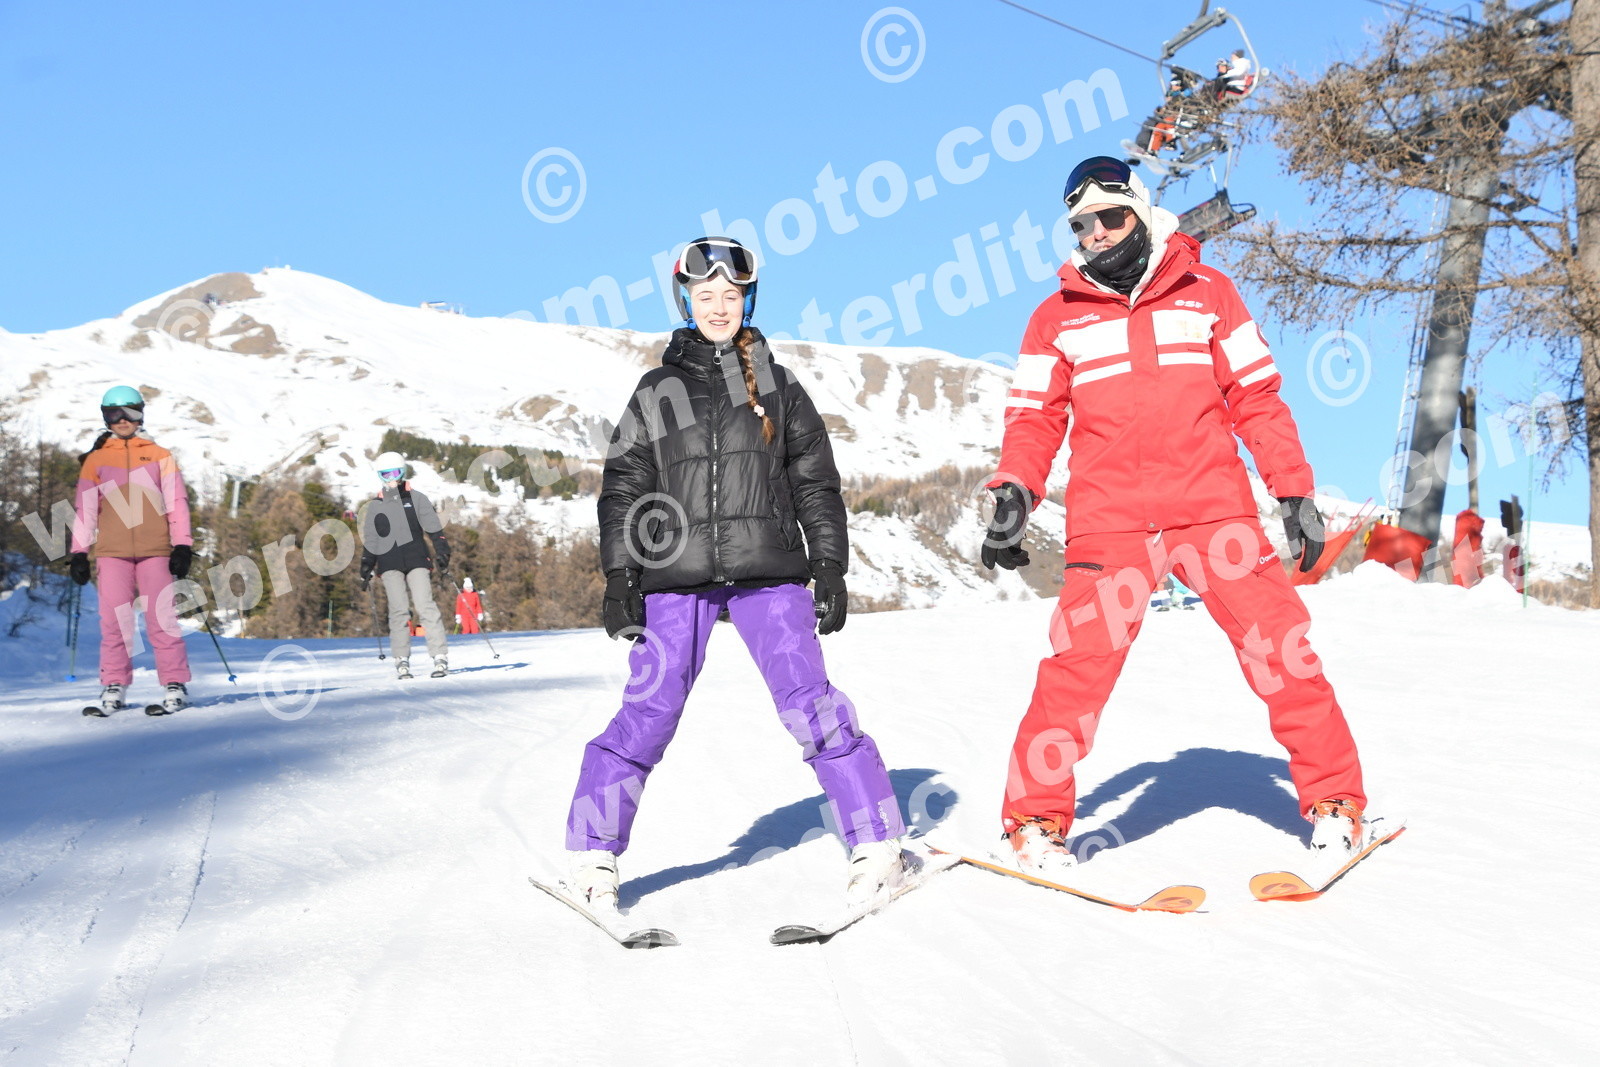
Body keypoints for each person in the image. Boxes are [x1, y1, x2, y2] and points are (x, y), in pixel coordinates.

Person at [979, 157, 1368, 877]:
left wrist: (1292, 490)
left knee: (1282, 652)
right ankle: (1034, 821)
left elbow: (1257, 397)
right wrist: (1014, 492)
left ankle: (1336, 803)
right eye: (1081, 225)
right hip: (1110, 523)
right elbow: (1034, 418)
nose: (1096, 233)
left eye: (1110, 217)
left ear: (1141, 212)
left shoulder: (1208, 293)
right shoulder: (1055, 317)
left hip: (1212, 511)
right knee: (1075, 673)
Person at [563, 236, 905, 909]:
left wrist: (829, 564)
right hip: (675, 574)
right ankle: (591, 856)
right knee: (648, 712)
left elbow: (815, 482)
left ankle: (879, 843)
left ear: (747, 300)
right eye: (705, 295)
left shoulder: (779, 386)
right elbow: (624, 487)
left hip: (767, 570)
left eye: (730, 295)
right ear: (685, 301)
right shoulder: (657, 390)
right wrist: (620, 576)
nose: (718, 306)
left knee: (811, 705)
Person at [68, 386, 194, 716]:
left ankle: (174, 683)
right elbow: (86, 508)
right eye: (114, 414)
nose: (123, 420)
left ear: (141, 414)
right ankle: (114, 684)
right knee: (114, 622)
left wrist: (182, 545)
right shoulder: (96, 460)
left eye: (131, 413)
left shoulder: (160, 456)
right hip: (112, 552)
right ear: (105, 417)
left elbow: (177, 502)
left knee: (162, 619)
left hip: (156, 550)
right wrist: (79, 552)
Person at [358, 452, 451, 679]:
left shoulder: (417, 499)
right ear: (380, 477)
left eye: (395, 473)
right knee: (398, 610)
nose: (391, 479)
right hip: (389, 563)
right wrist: (366, 564)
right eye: (385, 475)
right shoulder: (375, 506)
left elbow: (434, 530)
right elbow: (372, 540)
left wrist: (442, 552)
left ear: (403, 473)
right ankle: (401, 658)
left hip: (417, 559)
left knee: (425, 605)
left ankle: (439, 655)